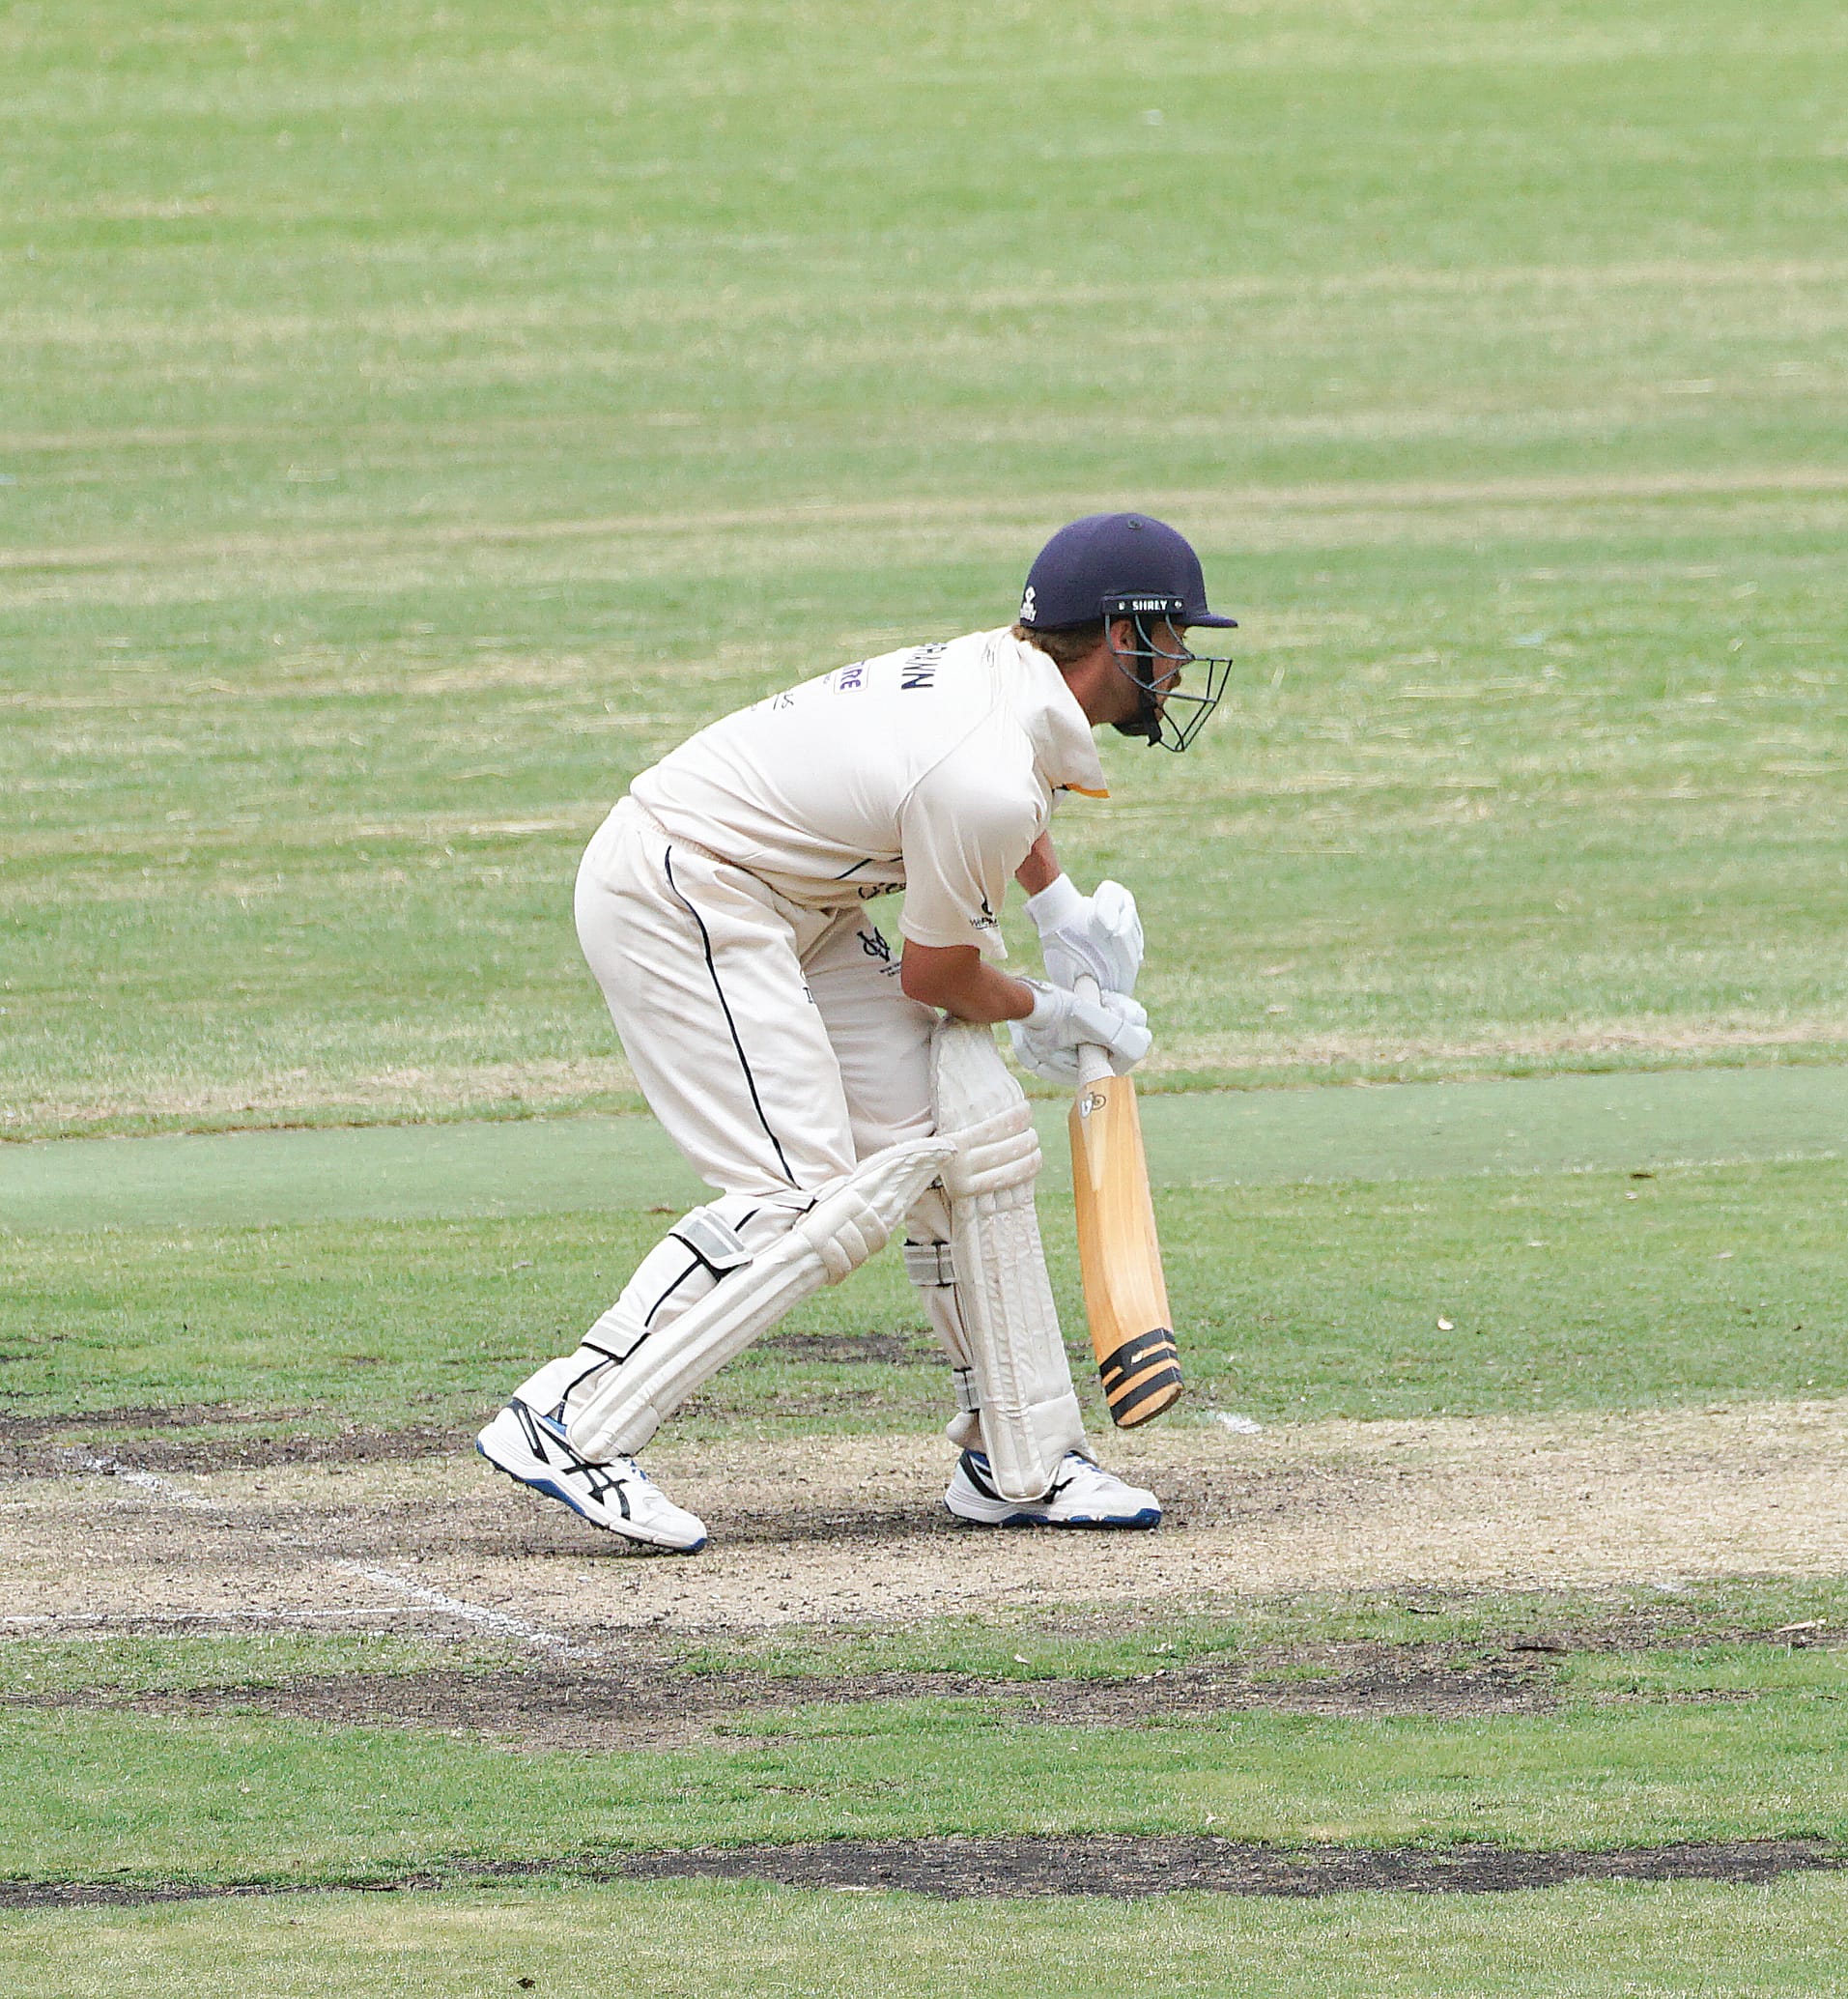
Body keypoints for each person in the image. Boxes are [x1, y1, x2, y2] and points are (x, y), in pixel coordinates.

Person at [477, 512, 1237, 1553]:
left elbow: (986, 811)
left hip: (790, 895)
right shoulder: (983, 765)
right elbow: (939, 971)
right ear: (1121, 634)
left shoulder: (1005, 674)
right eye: (1175, 637)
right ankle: (569, 1414)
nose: (1185, 660)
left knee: (963, 1136)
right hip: (687, 888)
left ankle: (1015, 1456)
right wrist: (1052, 1010)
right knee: (799, 1196)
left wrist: (1059, 913)